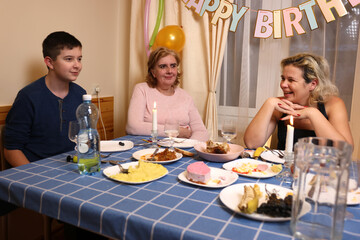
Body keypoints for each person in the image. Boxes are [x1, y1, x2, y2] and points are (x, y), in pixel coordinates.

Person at [4, 31, 86, 167]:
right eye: (69, 59)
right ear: (50, 62)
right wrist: (33, 177)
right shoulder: (28, 97)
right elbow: (12, 150)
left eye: (79, 59)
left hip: (72, 168)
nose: (77, 65)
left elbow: (86, 137)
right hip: (38, 171)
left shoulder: (80, 94)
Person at [244, 53, 353, 150]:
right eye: (283, 78)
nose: (283, 84)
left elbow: (345, 150)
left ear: (313, 84)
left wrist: (312, 114)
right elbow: (251, 144)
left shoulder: (333, 104)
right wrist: (269, 103)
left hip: (320, 170)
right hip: (283, 170)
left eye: (291, 80)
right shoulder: (278, 105)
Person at [126, 47, 209, 141]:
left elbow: (201, 132)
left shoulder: (185, 96)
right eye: (163, 66)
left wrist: (187, 146)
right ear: (153, 72)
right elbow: (132, 127)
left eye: (173, 66)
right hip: (148, 148)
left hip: (181, 148)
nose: (169, 71)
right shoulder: (141, 89)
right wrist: (176, 131)